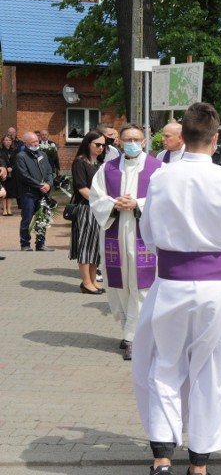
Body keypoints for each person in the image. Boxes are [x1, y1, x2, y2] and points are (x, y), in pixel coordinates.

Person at [135, 102, 221, 475]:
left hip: (172, 284)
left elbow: (147, 234)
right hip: (216, 287)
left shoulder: (161, 177)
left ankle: (162, 454)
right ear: (215, 139)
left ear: (184, 137)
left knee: (165, 362)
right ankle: (199, 461)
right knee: (210, 368)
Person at [89, 124, 163, 360]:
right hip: (116, 232)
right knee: (118, 285)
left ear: (144, 141)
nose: (131, 142)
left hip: (143, 235)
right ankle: (128, 330)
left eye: (136, 139)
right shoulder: (107, 168)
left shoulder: (158, 168)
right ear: (119, 141)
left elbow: (165, 198)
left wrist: (138, 204)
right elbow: (96, 196)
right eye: (127, 138)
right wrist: (113, 204)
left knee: (142, 286)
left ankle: (133, 338)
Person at [70, 131, 106, 295]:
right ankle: (86, 282)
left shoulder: (99, 163)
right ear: (88, 144)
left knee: (95, 246)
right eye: (97, 144)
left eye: (103, 145)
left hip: (98, 209)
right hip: (85, 208)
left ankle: (93, 280)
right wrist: (98, 201)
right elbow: (81, 187)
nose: (100, 148)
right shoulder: (80, 162)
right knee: (86, 245)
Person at [15, 131, 55, 251]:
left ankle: (40, 244)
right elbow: (23, 175)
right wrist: (39, 185)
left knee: (42, 219)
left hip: (43, 194)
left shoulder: (43, 154)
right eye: (33, 142)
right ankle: (25, 244)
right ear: (26, 144)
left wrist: (48, 184)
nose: (36, 143)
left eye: (37, 141)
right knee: (27, 219)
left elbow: (49, 172)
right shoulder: (21, 156)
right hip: (29, 194)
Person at [0, 134, 19, 216]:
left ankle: (9, 209)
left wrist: (12, 168)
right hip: (3, 174)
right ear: (3, 141)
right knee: (4, 191)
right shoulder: (0, 151)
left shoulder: (15, 151)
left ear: (12, 142)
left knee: (10, 192)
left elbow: (17, 161)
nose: (8, 142)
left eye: (9, 140)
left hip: (12, 173)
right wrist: (4, 168)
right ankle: (4, 209)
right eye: (6, 140)